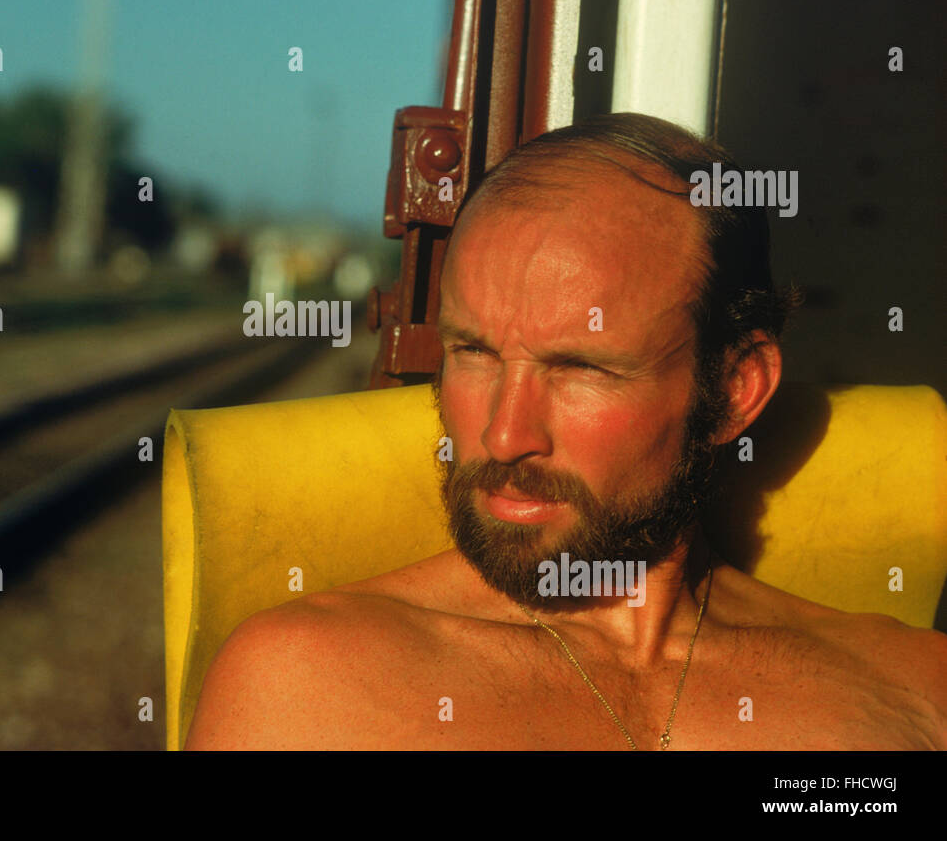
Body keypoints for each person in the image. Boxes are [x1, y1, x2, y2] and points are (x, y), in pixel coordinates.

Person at [185, 113, 947, 750]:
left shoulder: (910, 688)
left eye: (582, 368)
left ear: (736, 390)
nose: (504, 435)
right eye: (473, 352)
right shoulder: (310, 687)